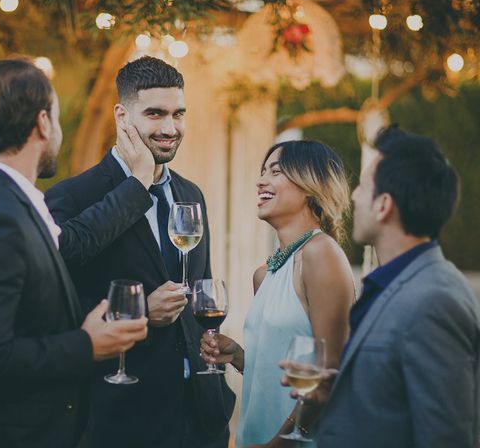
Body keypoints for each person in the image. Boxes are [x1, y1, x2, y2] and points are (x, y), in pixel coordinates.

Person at [0, 57, 151, 448]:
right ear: (44, 123)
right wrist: (87, 344)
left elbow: (70, 243)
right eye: (59, 121)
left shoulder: (13, 201)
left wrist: (138, 183)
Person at [46, 56, 235, 448]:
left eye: (178, 114)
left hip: (199, 420)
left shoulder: (190, 194)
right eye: (155, 114)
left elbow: (201, 294)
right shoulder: (73, 197)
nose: (170, 128)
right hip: (119, 418)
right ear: (122, 115)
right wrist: (141, 312)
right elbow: (56, 309)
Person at [314, 126, 480, 448]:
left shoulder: (435, 300)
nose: (353, 196)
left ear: (383, 205)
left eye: (362, 186)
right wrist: (336, 388)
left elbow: (445, 439)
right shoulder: (393, 283)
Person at [200, 140, 355, 447]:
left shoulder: (321, 254)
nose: (261, 181)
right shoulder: (265, 273)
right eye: (262, 172)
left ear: (311, 184)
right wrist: (239, 357)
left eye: (276, 171)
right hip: (255, 438)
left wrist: (279, 444)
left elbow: (331, 378)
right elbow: (280, 376)